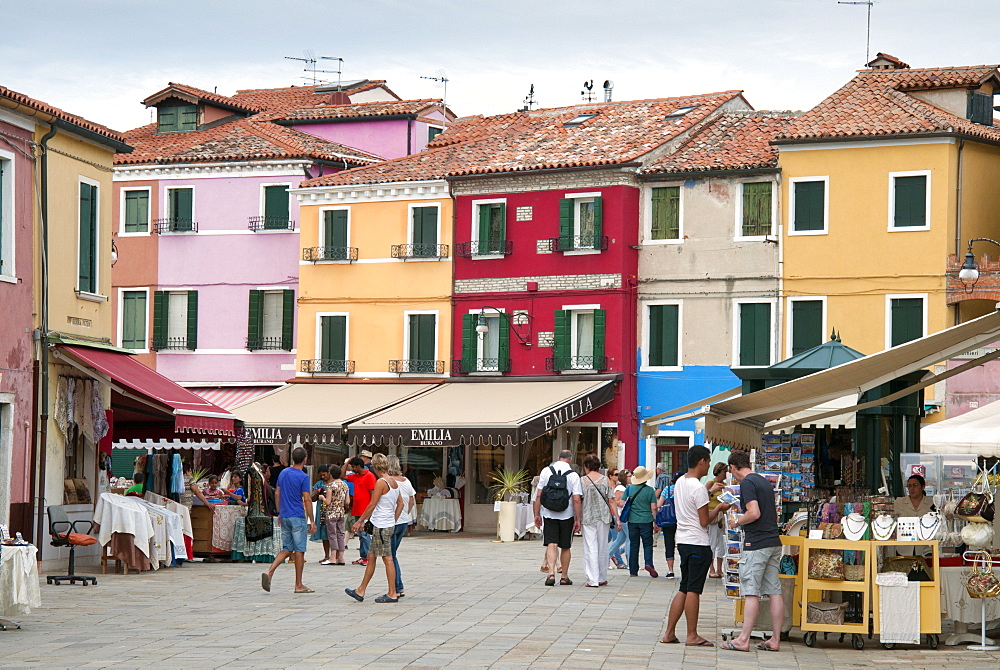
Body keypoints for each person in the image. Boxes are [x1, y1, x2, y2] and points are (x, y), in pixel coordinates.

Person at [661, 445, 731, 646]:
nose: (708, 465)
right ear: (701, 461)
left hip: (682, 539)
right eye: (708, 461)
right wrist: (718, 507)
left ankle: (669, 632)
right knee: (694, 589)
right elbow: (703, 520)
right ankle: (692, 634)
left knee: (684, 587)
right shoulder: (698, 488)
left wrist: (709, 490)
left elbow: (691, 503)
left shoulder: (681, 482)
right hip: (698, 542)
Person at [721, 450, 784, 653]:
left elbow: (754, 512)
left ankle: (743, 639)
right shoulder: (764, 481)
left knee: (751, 591)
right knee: (774, 591)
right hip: (773, 541)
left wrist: (736, 521)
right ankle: (775, 639)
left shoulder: (746, 483)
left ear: (732, 468)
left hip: (756, 543)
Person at [345, 453, 403, 603]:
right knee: (371, 556)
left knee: (387, 558)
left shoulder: (381, 482)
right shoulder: (394, 482)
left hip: (382, 525)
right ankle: (361, 590)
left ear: (375, 467)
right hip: (385, 524)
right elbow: (401, 503)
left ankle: (392, 593)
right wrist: (393, 519)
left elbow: (372, 504)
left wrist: (359, 522)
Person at [260, 447, 315, 594]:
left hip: (284, 514)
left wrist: (279, 512)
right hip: (297, 515)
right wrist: (312, 520)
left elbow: (277, 492)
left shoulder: (284, 472)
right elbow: (307, 499)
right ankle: (298, 584)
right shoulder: (303, 476)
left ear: (292, 458)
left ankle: (270, 571)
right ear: (305, 459)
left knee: (287, 547)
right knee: (299, 550)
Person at [533, 450, 583, 586]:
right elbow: (577, 499)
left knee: (551, 543)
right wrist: (578, 519)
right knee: (565, 546)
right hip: (567, 515)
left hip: (549, 513)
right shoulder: (573, 475)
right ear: (570, 460)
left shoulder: (546, 471)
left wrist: (536, 513)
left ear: (558, 458)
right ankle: (564, 576)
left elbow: (538, 495)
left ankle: (550, 574)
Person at [580, 453, 617, 587]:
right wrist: (617, 518)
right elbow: (611, 500)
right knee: (602, 547)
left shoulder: (582, 481)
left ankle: (592, 579)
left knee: (590, 547)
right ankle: (602, 577)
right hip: (604, 516)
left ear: (586, 466)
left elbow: (578, 500)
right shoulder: (605, 480)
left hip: (588, 516)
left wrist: (577, 519)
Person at [387, 455, 416, 597]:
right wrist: (406, 514)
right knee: (393, 555)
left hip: (392, 521)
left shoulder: (388, 482)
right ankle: (398, 586)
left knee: (390, 556)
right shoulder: (406, 481)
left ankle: (397, 587)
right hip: (403, 521)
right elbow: (411, 501)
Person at [625, 465, 659, 578]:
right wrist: (656, 522)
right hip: (646, 520)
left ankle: (633, 571)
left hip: (632, 520)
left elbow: (620, 502)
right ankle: (649, 563)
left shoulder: (629, 489)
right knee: (648, 544)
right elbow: (654, 507)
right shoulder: (650, 490)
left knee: (634, 545)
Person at [349, 456, 377, 566]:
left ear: (359, 466)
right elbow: (342, 475)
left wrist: (372, 508)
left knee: (365, 533)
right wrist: (347, 462)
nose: (352, 469)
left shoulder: (369, 476)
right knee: (361, 534)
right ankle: (363, 555)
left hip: (366, 510)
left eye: (353, 467)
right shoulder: (355, 476)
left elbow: (372, 493)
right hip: (357, 509)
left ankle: (368, 557)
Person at [656, 471, 684, 579]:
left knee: (669, 543)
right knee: (683, 543)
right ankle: (684, 567)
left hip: (669, 520)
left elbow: (659, 505)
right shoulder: (684, 490)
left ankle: (670, 570)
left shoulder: (667, 490)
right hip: (682, 519)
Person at [322, 464, 351, 565]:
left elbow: (328, 502)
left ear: (330, 474)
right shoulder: (345, 485)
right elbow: (347, 502)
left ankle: (333, 557)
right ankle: (341, 557)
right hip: (341, 513)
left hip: (331, 513)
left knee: (332, 534)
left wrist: (322, 498)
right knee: (340, 534)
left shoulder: (331, 486)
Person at [707, 462, 729, 578]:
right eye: (725, 471)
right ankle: (711, 568)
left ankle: (720, 568)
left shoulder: (725, 485)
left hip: (723, 516)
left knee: (722, 543)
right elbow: (704, 496)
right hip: (713, 516)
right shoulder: (711, 483)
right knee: (712, 542)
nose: (727, 473)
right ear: (720, 471)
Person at [608, 469, 631, 570]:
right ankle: (630, 562)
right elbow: (617, 502)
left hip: (623, 516)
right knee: (629, 539)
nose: (631, 477)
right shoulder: (621, 488)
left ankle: (606, 557)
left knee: (619, 539)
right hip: (622, 516)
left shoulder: (626, 487)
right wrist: (625, 502)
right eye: (629, 476)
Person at [311, 465, 332, 562]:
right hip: (322, 511)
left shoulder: (334, 483)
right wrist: (316, 494)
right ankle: (327, 555)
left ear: (329, 473)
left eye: (324, 475)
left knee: (333, 533)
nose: (323, 477)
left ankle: (334, 555)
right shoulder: (319, 484)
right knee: (324, 534)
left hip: (332, 510)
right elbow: (313, 499)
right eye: (321, 475)